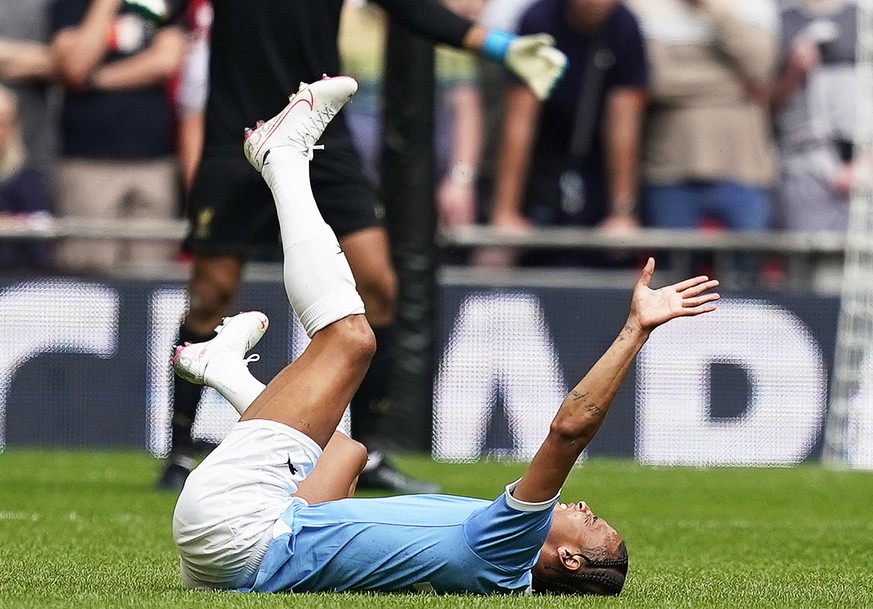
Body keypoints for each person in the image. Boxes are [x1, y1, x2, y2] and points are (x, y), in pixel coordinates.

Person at [170, 75, 720, 594]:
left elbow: (569, 431)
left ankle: (282, 159)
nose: (581, 507)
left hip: (237, 531)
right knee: (347, 453)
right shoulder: (496, 573)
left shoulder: (508, 549)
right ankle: (224, 371)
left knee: (351, 340)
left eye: (590, 522)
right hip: (236, 555)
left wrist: (636, 329)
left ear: (569, 559)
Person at [157, 0, 568, 493]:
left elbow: (412, 10)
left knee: (378, 286)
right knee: (212, 293)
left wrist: (502, 46)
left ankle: (369, 453)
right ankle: (181, 451)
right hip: (235, 137)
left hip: (321, 134)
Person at [481, 0, 648, 268]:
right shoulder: (539, 19)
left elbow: (624, 125)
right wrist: (505, 212)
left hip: (595, 173)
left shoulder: (625, 25)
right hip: (540, 173)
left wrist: (622, 213)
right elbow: (519, 122)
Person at [49, 0, 187, 273]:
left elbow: (166, 60)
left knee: (152, 275)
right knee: (87, 277)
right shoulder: (69, 5)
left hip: (154, 159)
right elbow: (75, 65)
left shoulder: (158, 3)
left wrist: (95, 80)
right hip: (88, 162)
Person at [626, 0, 779, 236]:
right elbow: (654, 81)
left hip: (744, 170)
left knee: (747, 271)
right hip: (670, 170)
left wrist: (714, 7)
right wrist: (735, 86)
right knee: (672, 272)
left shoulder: (755, 5)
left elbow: (762, 69)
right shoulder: (642, 6)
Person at [770, 0, 859, 232]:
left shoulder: (864, 17)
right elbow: (765, 106)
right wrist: (794, 71)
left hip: (860, 166)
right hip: (802, 167)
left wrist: (866, 164)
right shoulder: (778, 18)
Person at [0, 85, 53, 269]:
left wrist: (13, 224)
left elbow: (42, 227)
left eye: (2, 123)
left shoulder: (26, 177)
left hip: (16, 280)